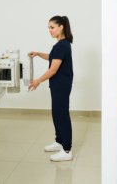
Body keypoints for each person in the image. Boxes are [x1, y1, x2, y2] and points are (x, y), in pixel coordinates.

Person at [29, 15, 74, 162]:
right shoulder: (60, 45)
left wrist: (38, 81)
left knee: (61, 114)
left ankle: (67, 150)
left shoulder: (62, 45)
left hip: (61, 84)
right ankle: (59, 141)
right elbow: (52, 57)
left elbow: (53, 69)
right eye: (48, 28)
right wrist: (38, 53)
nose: (50, 30)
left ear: (61, 27)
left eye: (52, 27)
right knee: (56, 113)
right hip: (58, 84)